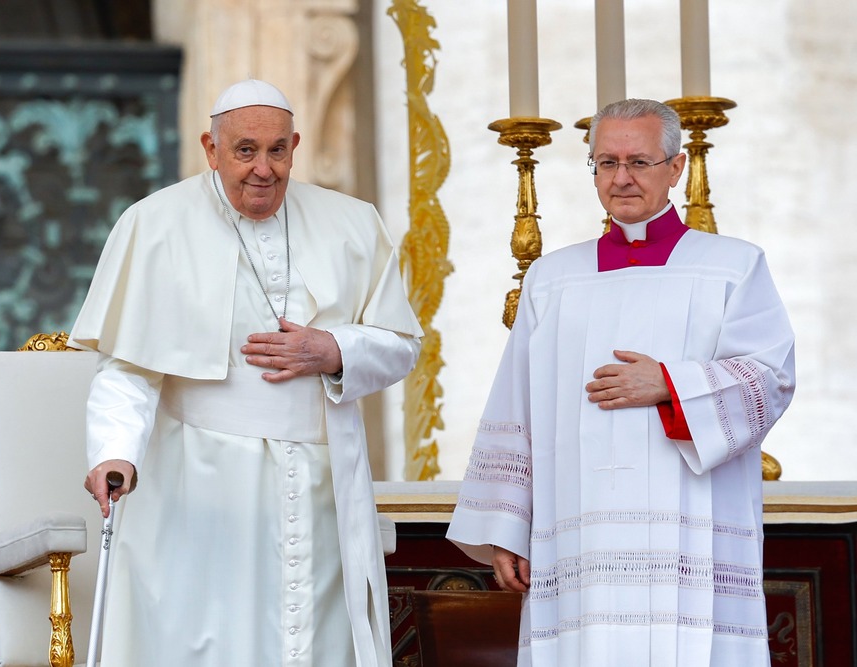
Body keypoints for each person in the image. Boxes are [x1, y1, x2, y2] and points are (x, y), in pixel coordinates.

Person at [68, 78, 423, 666]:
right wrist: (114, 452)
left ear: (295, 146)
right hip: (200, 485)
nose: (264, 168)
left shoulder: (353, 224)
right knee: (210, 638)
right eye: (245, 151)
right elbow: (127, 368)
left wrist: (333, 349)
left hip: (322, 485)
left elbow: (401, 345)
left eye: (277, 150)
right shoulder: (153, 224)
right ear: (210, 148)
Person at [447, 98, 795, 666]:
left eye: (639, 161)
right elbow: (517, 400)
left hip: (691, 530)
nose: (622, 178)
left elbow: (771, 377)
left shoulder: (733, 266)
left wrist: (671, 385)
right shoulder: (552, 278)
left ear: (676, 168)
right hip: (577, 532)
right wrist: (508, 524)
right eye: (606, 163)